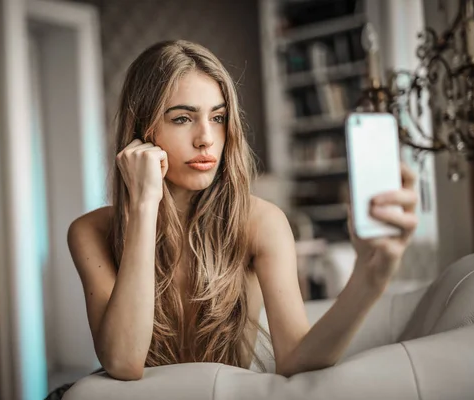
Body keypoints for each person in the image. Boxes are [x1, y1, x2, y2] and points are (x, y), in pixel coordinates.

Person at [67, 40, 418, 382]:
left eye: (217, 117)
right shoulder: (90, 231)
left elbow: (296, 359)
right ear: (141, 132)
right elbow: (123, 362)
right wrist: (144, 206)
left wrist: (369, 280)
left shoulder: (260, 223)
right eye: (182, 119)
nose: (206, 138)